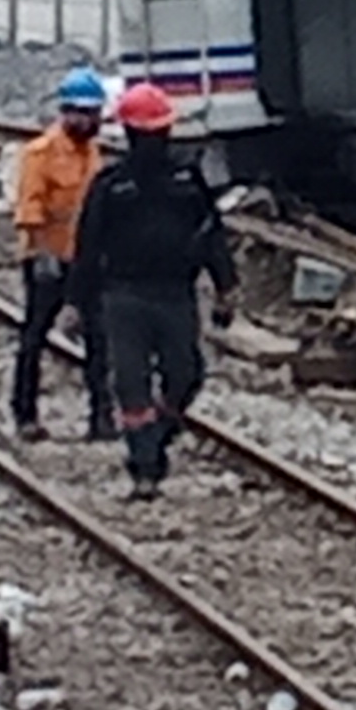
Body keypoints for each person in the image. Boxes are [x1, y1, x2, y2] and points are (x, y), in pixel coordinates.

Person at [68, 83, 236, 499]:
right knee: (131, 382)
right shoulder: (110, 186)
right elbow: (87, 246)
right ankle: (145, 468)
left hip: (175, 293)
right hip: (123, 295)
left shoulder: (186, 181)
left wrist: (225, 286)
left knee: (186, 375)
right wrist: (77, 302)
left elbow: (211, 235)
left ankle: (157, 437)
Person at [8, 68, 112, 442]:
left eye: (93, 113)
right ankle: (24, 414)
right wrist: (40, 254)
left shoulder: (93, 154)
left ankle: (102, 417)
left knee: (99, 338)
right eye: (81, 113)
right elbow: (30, 206)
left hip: (85, 261)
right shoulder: (40, 154)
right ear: (65, 111)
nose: (88, 120)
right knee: (35, 335)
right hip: (47, 259)